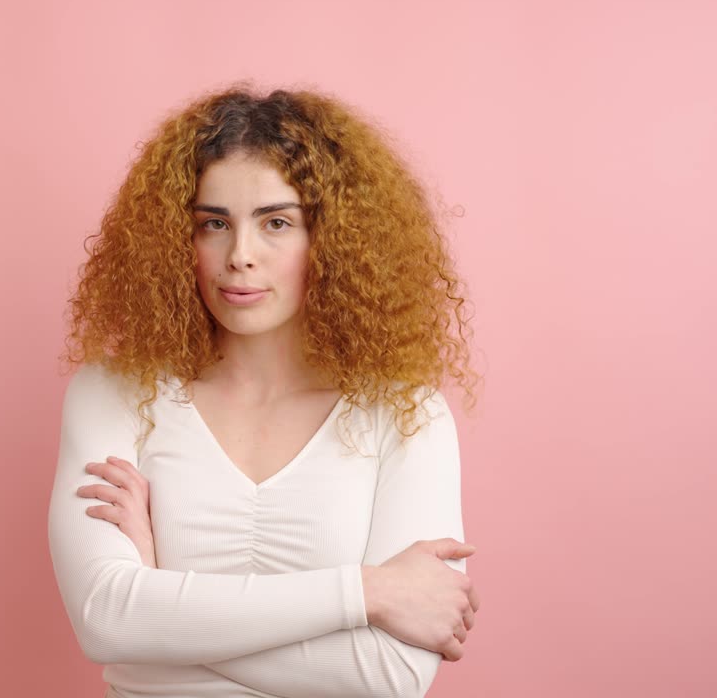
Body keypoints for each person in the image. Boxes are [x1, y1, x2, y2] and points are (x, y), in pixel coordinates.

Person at [48, 82, 483, 698]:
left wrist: (159, 601)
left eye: (277, 222)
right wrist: (371, 591)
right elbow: (106, 621)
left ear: (331, 239)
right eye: (213, 224)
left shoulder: (406, 412)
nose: (240, 255)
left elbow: (390, 676)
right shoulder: (116, 392)